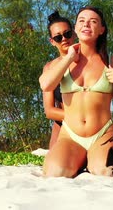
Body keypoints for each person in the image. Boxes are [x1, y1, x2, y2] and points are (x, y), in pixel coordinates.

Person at [39, 6, 113, 177]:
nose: (86, 24)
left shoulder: (112, 61)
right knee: (55, 172)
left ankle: (92, 159)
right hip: (70, 136)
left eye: (93, 21)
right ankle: (80, 159)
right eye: (81, 21)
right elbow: (45, 85)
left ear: (101, 29)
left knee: (106, 171)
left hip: (102, 133)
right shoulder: (59, 64)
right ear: (76, 28)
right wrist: (69, 58)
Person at [42, 11, 75, 149]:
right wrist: (77, 118)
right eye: (57, 37)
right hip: (62, 122)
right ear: (52, 41)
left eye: (67, 34)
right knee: (55, 167)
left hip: (92, 124)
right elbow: (49, 110)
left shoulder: (90, 60)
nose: (64, 39)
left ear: (73, 34)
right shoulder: (49, 68)